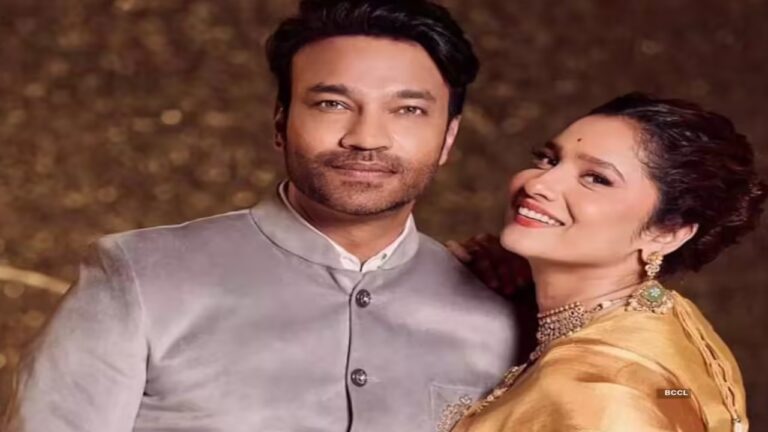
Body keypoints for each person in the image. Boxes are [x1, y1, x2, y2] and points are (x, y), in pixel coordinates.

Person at [3, 1, 521, 431]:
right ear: (280, 123)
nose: (367, 137)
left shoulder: (501, 314)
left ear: (448, 137)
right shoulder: (139, 275)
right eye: (332, 104)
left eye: (408, 110)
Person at [446, 93, 766, 432]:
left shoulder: (602, 391)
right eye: (548, 160)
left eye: (597, 178)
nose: (538, 184)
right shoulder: (664, 323)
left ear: (667, 233)